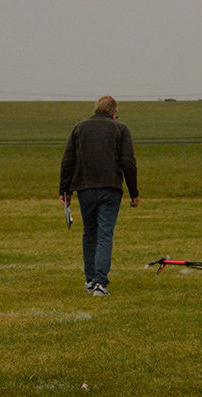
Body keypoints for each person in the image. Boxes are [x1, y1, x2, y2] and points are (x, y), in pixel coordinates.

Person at [59, 95, 139, 297]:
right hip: (110, 189)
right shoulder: (120, 129)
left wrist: (65, 191)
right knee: (105, 234)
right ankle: (101, 283)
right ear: (113, 112)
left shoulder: (79, 128)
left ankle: (90, 280)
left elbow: (68, 160)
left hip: (84, 189)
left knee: (90, 233)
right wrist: (134, 192)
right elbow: (128, 162)